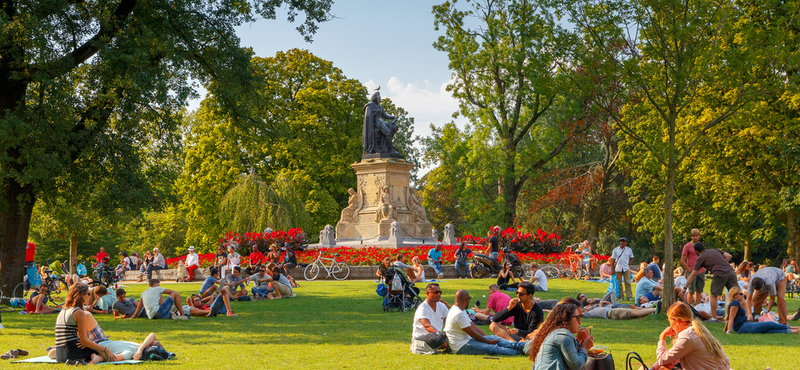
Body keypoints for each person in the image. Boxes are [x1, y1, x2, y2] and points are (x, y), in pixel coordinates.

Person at [648, 302, 730, 370]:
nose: (670, 325)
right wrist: (653, 368)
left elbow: (662, 360)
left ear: (676, 321)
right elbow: (672, 358)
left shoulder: (687, 337)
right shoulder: (698, 329)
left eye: (670, 321)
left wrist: (662, 336)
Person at [444, 289, 525, 355]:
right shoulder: (458, 314)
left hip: (467, 340)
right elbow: (473, 334)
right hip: (461, 345)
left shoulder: (459, 310)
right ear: (467, 300)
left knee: (495, 338)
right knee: (494, 349)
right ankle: (520, 352)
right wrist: (487, 342)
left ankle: (519, 346)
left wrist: (487, 338)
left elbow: (474, 327)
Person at [53, 283, 115, 364]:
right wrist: (105, 349)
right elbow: (84, 341)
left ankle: (93, 357)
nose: (90, 296)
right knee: (108, 356)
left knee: (97, 350)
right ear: (82, 295)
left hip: (60, 354)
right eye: (88, 294)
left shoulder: (64, 310)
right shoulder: (79, 312)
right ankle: (96, 357)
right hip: (71, 352)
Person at [529, 297, 593, 370]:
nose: (580, 322)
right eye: (578, 317)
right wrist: (585, 348)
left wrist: (580, 343)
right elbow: (576, 365)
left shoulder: (556, 332)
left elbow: (569, 356)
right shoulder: (563, 335)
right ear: (566, 318)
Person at [684, 242, 734, 322]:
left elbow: (692, 275)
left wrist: (685, 287)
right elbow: (729, 256)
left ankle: (714, 318)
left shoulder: (701, 257)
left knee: (713, 296)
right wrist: (723, 263)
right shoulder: (714, 250)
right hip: (730, 271)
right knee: (737, 294)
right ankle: (746, 315)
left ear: (696, 251)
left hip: (719, 273)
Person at [725, 287, 800, 334]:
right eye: (740, 294)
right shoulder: (735, 303)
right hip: (743, 327)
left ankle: (795, 330)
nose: (743, 295)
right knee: (769, 324)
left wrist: (724, 329)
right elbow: (731, 317)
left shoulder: (735, 302)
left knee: (767, 330)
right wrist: (728, 331)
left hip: (744, 325)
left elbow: (729, 317)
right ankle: (794, 328)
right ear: (734, 295)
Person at [410, 283, 450, 354]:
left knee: (452, 341)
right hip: (421, 339)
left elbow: (450, 321)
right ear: (428, 293)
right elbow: (427, 326)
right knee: (447, 344)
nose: (439, 294)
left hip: (436, 337)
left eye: (440, 292)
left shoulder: (442, 306)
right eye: (436, 292)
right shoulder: (422, 308)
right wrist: (440, 335)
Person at [680, 229, 704, 305]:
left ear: (699, 236)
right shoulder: (687, 246)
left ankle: (698, 307)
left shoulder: (701, 246)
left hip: (701, 270)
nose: (695, 238)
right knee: (691, 291)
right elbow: (682, 260)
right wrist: (689, 270)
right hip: (691, 270)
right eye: (693, 236)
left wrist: (704, 267)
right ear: (691, 236)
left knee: (699, 291)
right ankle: (690, 307)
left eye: (696, 236)